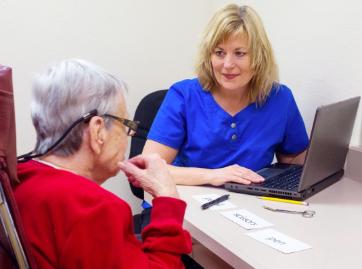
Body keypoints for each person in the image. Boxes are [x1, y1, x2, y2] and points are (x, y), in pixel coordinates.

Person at [14, 59, 192, 268]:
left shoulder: (19, 176)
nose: (131, 133)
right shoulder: (94, 210)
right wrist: (167, 198)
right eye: (126, 123)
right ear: (98, 130)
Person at [143, 4, 309, 186]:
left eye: (240, 53)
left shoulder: (280, 98)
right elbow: (150, 168)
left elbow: (294, 160)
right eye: (219, 53)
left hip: (248, 205)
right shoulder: (183, 96)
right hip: (186, 204)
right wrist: (213, 176)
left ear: (259, 57)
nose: (228, 64)